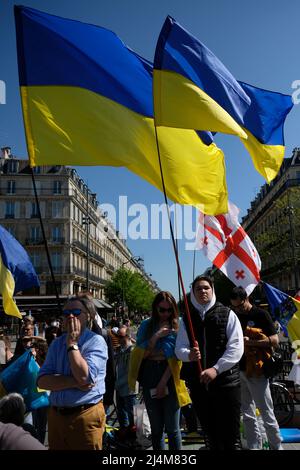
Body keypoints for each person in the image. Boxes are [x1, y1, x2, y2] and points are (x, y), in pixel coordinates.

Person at [175, 275, 244, 450]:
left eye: (206, 287)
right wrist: (188, 355)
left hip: (227, 383)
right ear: (193, 292)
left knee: (231, 438)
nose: (203, 291)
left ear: (212, 290)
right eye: (198, 288)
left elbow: (236, 347)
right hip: (199, 386)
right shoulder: (186, 319)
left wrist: (216, 369)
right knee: (210, 435)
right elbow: (179, 348)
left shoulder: (228, 314)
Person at [37, 294, 108, 450]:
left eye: (76, 312)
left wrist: (72, 344)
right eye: (66, 313)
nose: (70, 316)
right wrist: (75, 382)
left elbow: (84, 375)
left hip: (84, 416)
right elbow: (42, 381)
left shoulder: (95, 341)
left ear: (87, 316)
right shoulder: (56, 344)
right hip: (56, 417)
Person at [129, 291, 191, 451]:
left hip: (171, 374)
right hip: (150, 374)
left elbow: (177, 357)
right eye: (162, 310)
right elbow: (140, 354)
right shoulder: (146, 325)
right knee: (156, 430)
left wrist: (163, 381)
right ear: (155, 308)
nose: (166, 314)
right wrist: (156, 336)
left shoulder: (179, 325)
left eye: (169, 310)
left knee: (173, 429)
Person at [229, 286, 283, 450]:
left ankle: (276, 446)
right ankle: (254, 446)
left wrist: (250, 342)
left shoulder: (261, 315)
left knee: (266, 411)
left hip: (258, 371)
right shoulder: (235, 316)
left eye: (240, 305)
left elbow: (274, 341)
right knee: (247, 413)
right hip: (241, 369)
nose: (238, 309)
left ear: (247, 298)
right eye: (234, 306)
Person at [115, 326, 138, 440]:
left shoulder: (133, 350)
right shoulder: (119, 350)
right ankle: (124, 433)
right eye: (117, 336)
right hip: (119, 387)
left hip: (130, 388)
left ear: (128, 337)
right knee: (121, 413)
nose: (118, 339)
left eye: (121, 336)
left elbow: (131, 371)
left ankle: (134, 436)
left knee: (132, 414)